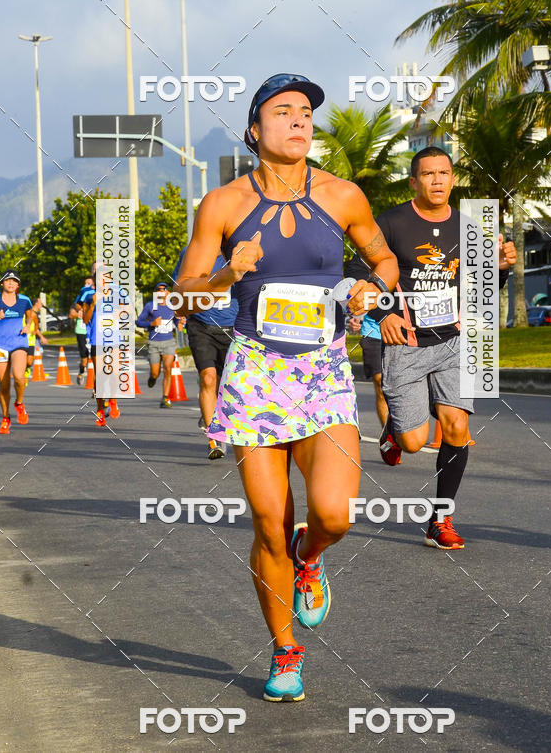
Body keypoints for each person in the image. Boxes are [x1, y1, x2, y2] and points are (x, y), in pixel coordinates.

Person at [177, 73, 399, 702]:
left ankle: (311, 555)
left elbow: (384, 259)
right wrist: (228, 273)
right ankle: (284, 650)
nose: (299, 119)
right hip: (255, 372)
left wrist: (372, 287)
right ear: (255, 130)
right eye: (282, 111)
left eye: (305, 111)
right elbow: (185, 295)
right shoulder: (222, 204)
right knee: (270, 523)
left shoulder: (343, 195)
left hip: (323, 371)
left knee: (333, 513)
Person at [366, 146, 516, 550]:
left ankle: (440, 519)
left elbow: (483, 288)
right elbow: (359, 272)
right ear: (413, 181)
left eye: (444, 173)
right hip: (407, 343)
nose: (437, 180)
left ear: (452, 179)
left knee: (456, 427)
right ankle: (395, 430)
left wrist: (501, 269)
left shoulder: (469, 227)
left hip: (453, 342)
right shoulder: (390, 223)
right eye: (428, 174)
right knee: (414, 441)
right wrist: (383, 314)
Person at [173, 249, 238, 459]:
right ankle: (214, 439)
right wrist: (179, 307)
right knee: (208, 378)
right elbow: (179, 287)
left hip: (234, 327)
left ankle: (213, 414)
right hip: (201, 325)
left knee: (228, 385)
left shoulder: (238, 250)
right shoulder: (192, 253)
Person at [345, 254, 389, 429]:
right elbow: (354, 289)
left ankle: (402, 430)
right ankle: (389, 437)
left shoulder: (403, 250)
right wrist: (356, 316)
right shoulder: (365, 255)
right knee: (380, 383)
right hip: (373, 330)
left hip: (401, 329)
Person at [80, 270, 120, 427]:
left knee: (115, 373)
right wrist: (93, 304)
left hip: (114, 339)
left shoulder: (117, 294)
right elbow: (85, 319)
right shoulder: (89, 296)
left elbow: (129, 310)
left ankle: (112, 399)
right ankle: (100, 409)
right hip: (97, 339)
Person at [0, 271, 32, 434]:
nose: (11, 283)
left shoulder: (24, 300)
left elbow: (30, 315)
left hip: (19, 342)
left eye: (14, 281)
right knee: (4, 385)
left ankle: (19, 403)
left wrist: (28, 325)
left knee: (18, 377)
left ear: (18, 285)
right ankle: (6, 417)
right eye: (7, 280)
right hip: (0, 345)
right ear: (2, 283)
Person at [136, 282, 180, 409]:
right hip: (154, 343)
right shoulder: (150, 306)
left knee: (167, 368)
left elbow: (178, 322)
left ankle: (165, 398)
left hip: (169, 342)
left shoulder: (173, 306)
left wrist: (181, 323)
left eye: (164, 289)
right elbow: (139, 322)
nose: (161, 291)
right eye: (159, 289)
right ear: (155, 293)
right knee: (155, 373)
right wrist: (152, 323)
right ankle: (152, 378)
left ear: (168, 293)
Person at [70, 276, 93, 384]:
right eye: (85, 283)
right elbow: (71, 314)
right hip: (82, 331)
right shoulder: (81, 297)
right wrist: (79, 314)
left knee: (96, 358)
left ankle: (96, 386)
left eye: (89, 283)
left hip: (94, 331)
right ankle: (81, 371)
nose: (86, 285)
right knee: (84, 358)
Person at [25, 297, 49, 380]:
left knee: (33, 358)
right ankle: (26, 371)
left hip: (32, 340)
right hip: (25, 340)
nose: (41, 304)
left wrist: (35, 331)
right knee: (33, 356)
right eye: (40, 302)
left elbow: (36, 326)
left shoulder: (34, 314)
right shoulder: (29, 313)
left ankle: (33, 370)